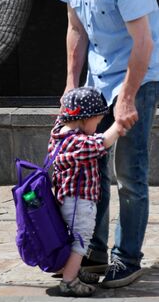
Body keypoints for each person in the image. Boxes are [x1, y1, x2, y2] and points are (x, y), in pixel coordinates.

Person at [40, 0, 159, 288]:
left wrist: (126, 100)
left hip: (137, 75)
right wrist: (70, 87)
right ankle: (92, 252)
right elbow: (76, 28)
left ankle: (128, 258)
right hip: (97, 77)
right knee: (92, 169)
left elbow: (143, 43)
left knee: (129, 174)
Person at [49, 86, 123, 296]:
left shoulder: (58, 134)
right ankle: (69, 281)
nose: (98, 126)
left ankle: (74, 270)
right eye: (97, 121)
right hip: (80, 203)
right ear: (83, 118)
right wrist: (120, 123)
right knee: (81, 242)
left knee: (75, 239)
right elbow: (103, 142)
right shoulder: (78, 142)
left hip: (66, 200)